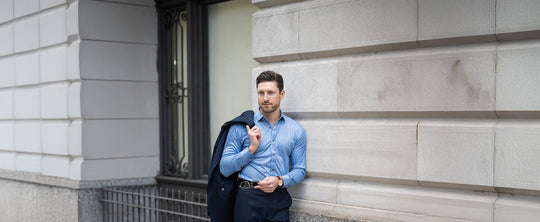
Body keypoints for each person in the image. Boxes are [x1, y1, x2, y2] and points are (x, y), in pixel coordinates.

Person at [219, 70, 306, 221]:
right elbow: (224, 168)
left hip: (279, 199)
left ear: (282, 94)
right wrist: (250, 149)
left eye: (271, 92)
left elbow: (300, 170)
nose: (265, 98)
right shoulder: (242, 126)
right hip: (248, 198)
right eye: (261, 93)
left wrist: (279, 180)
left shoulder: (296, 130)